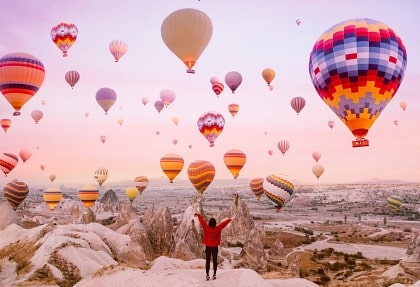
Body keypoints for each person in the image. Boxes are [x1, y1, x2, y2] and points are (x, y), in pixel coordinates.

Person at [194, 212, 236, 281]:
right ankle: (214, 275)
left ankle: (207, 275)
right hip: (215, 247)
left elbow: (202, 222)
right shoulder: (218, 228)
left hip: (208, 246)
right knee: (214, 261)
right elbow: (223, 224)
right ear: (215, 223)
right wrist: (230, 219)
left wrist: (198, 214)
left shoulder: (206, 227)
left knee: (207, 261)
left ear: (209, 223)